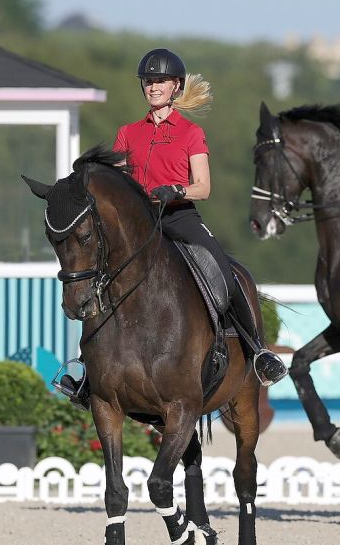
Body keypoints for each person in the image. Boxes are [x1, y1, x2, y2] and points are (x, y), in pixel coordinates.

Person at [61, 48, 286, 410]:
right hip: (138, 227)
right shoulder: (127, 133)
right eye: (148, 81)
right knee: (93, 285)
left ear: (175, 87)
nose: (152, 87)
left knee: (225, 274)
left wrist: (177, 189)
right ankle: (89, 374)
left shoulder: (191, 133)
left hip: (179, 219)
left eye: (159, 81)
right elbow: (117, 183)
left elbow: (204, 186)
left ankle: (258, 353)